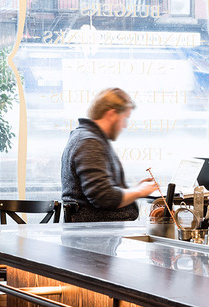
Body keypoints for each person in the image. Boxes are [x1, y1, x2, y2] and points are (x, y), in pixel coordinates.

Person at [61, 88, 159, 222]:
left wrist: (136, 190)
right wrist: (139, 191)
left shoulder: (86, 137)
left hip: (101, 229)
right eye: (124, 118)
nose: (124, 126)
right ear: (111, 114)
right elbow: (104, 197)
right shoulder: (89, 142)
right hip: (98, 231)